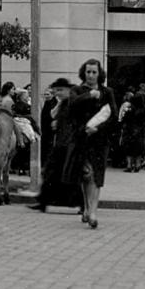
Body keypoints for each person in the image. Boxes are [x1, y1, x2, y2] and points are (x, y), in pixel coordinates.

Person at [60, 59, 117, 229]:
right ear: (83, 73)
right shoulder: (77, 91)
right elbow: (71, 108)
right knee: (85, 174)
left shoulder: (107, 92)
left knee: (95, 175)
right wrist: (88, 95)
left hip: (100, 140)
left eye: (94, 72)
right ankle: (86, 207)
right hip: (81, 139)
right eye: (88, 72)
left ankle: (93, 212)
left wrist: (98, 129)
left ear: (100, 74)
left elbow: (113, 116)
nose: (91, 75)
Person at [30, 77, 74, 211]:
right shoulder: (62, 103)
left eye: (60, 90)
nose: (58, 93)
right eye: (56, 90)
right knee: (49, 172)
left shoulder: (74, 103)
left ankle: (80, 204)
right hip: (60, 143)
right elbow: (53, 115)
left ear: (68, 90)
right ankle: (43, 202)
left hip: (70, 144)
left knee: (68, 176)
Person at [119, 90, 145, 173]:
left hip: (130, 130)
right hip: (140, 131)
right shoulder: (143, 110)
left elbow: (125, 119)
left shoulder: (130, 109)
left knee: (129, 149)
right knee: (138, 149)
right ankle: (137, 165)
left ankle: (129, 165)